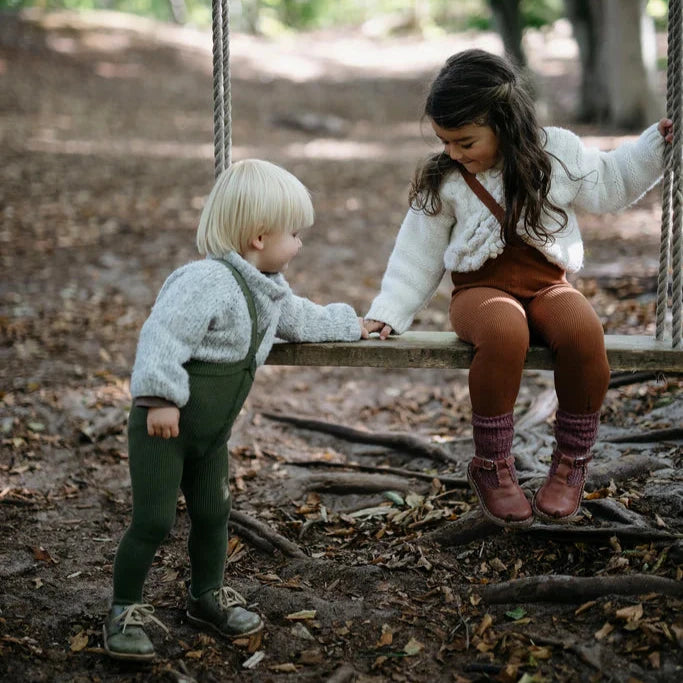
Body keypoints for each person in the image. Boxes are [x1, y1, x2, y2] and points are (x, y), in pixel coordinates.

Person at [364, 49, 673, 529]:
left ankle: (571, 463)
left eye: (464, 142)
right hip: (478, 293)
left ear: (504, 123)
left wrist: (656, 145)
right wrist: (390, 309)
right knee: (506, 330)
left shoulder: (558, 154)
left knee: (583, 331)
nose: (453, 152)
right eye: (445, 141)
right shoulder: (445, 178)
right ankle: (492, 465)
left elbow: (612, 182)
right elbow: (415, 253)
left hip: (548, 284)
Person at [104, 159, 367, 661]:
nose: (301, 242)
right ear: (259, 238)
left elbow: (304, 319)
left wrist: (355, 324)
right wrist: (159, 398)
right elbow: (164, 334)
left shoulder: (269, 288)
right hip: (165, 428)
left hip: (209, 438)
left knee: (214, 511)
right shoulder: (204, 281)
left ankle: (205, 596)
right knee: (154, 521)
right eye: (295, 232)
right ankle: (124, 606)